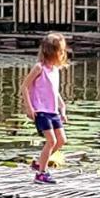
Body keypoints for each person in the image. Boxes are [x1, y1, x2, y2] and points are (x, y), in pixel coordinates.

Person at [22, 32, 69, 184]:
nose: (63, 54)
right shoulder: (39, 68)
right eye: (60, 51)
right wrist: (29, 108)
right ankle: (41, 174)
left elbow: (54, 91)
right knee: (51, 140)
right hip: (41, 111)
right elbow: (24, 87)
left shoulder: (55, 69)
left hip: (53, 111)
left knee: (61, 140)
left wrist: (62, 107)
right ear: (51, 51)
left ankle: (39, 162)